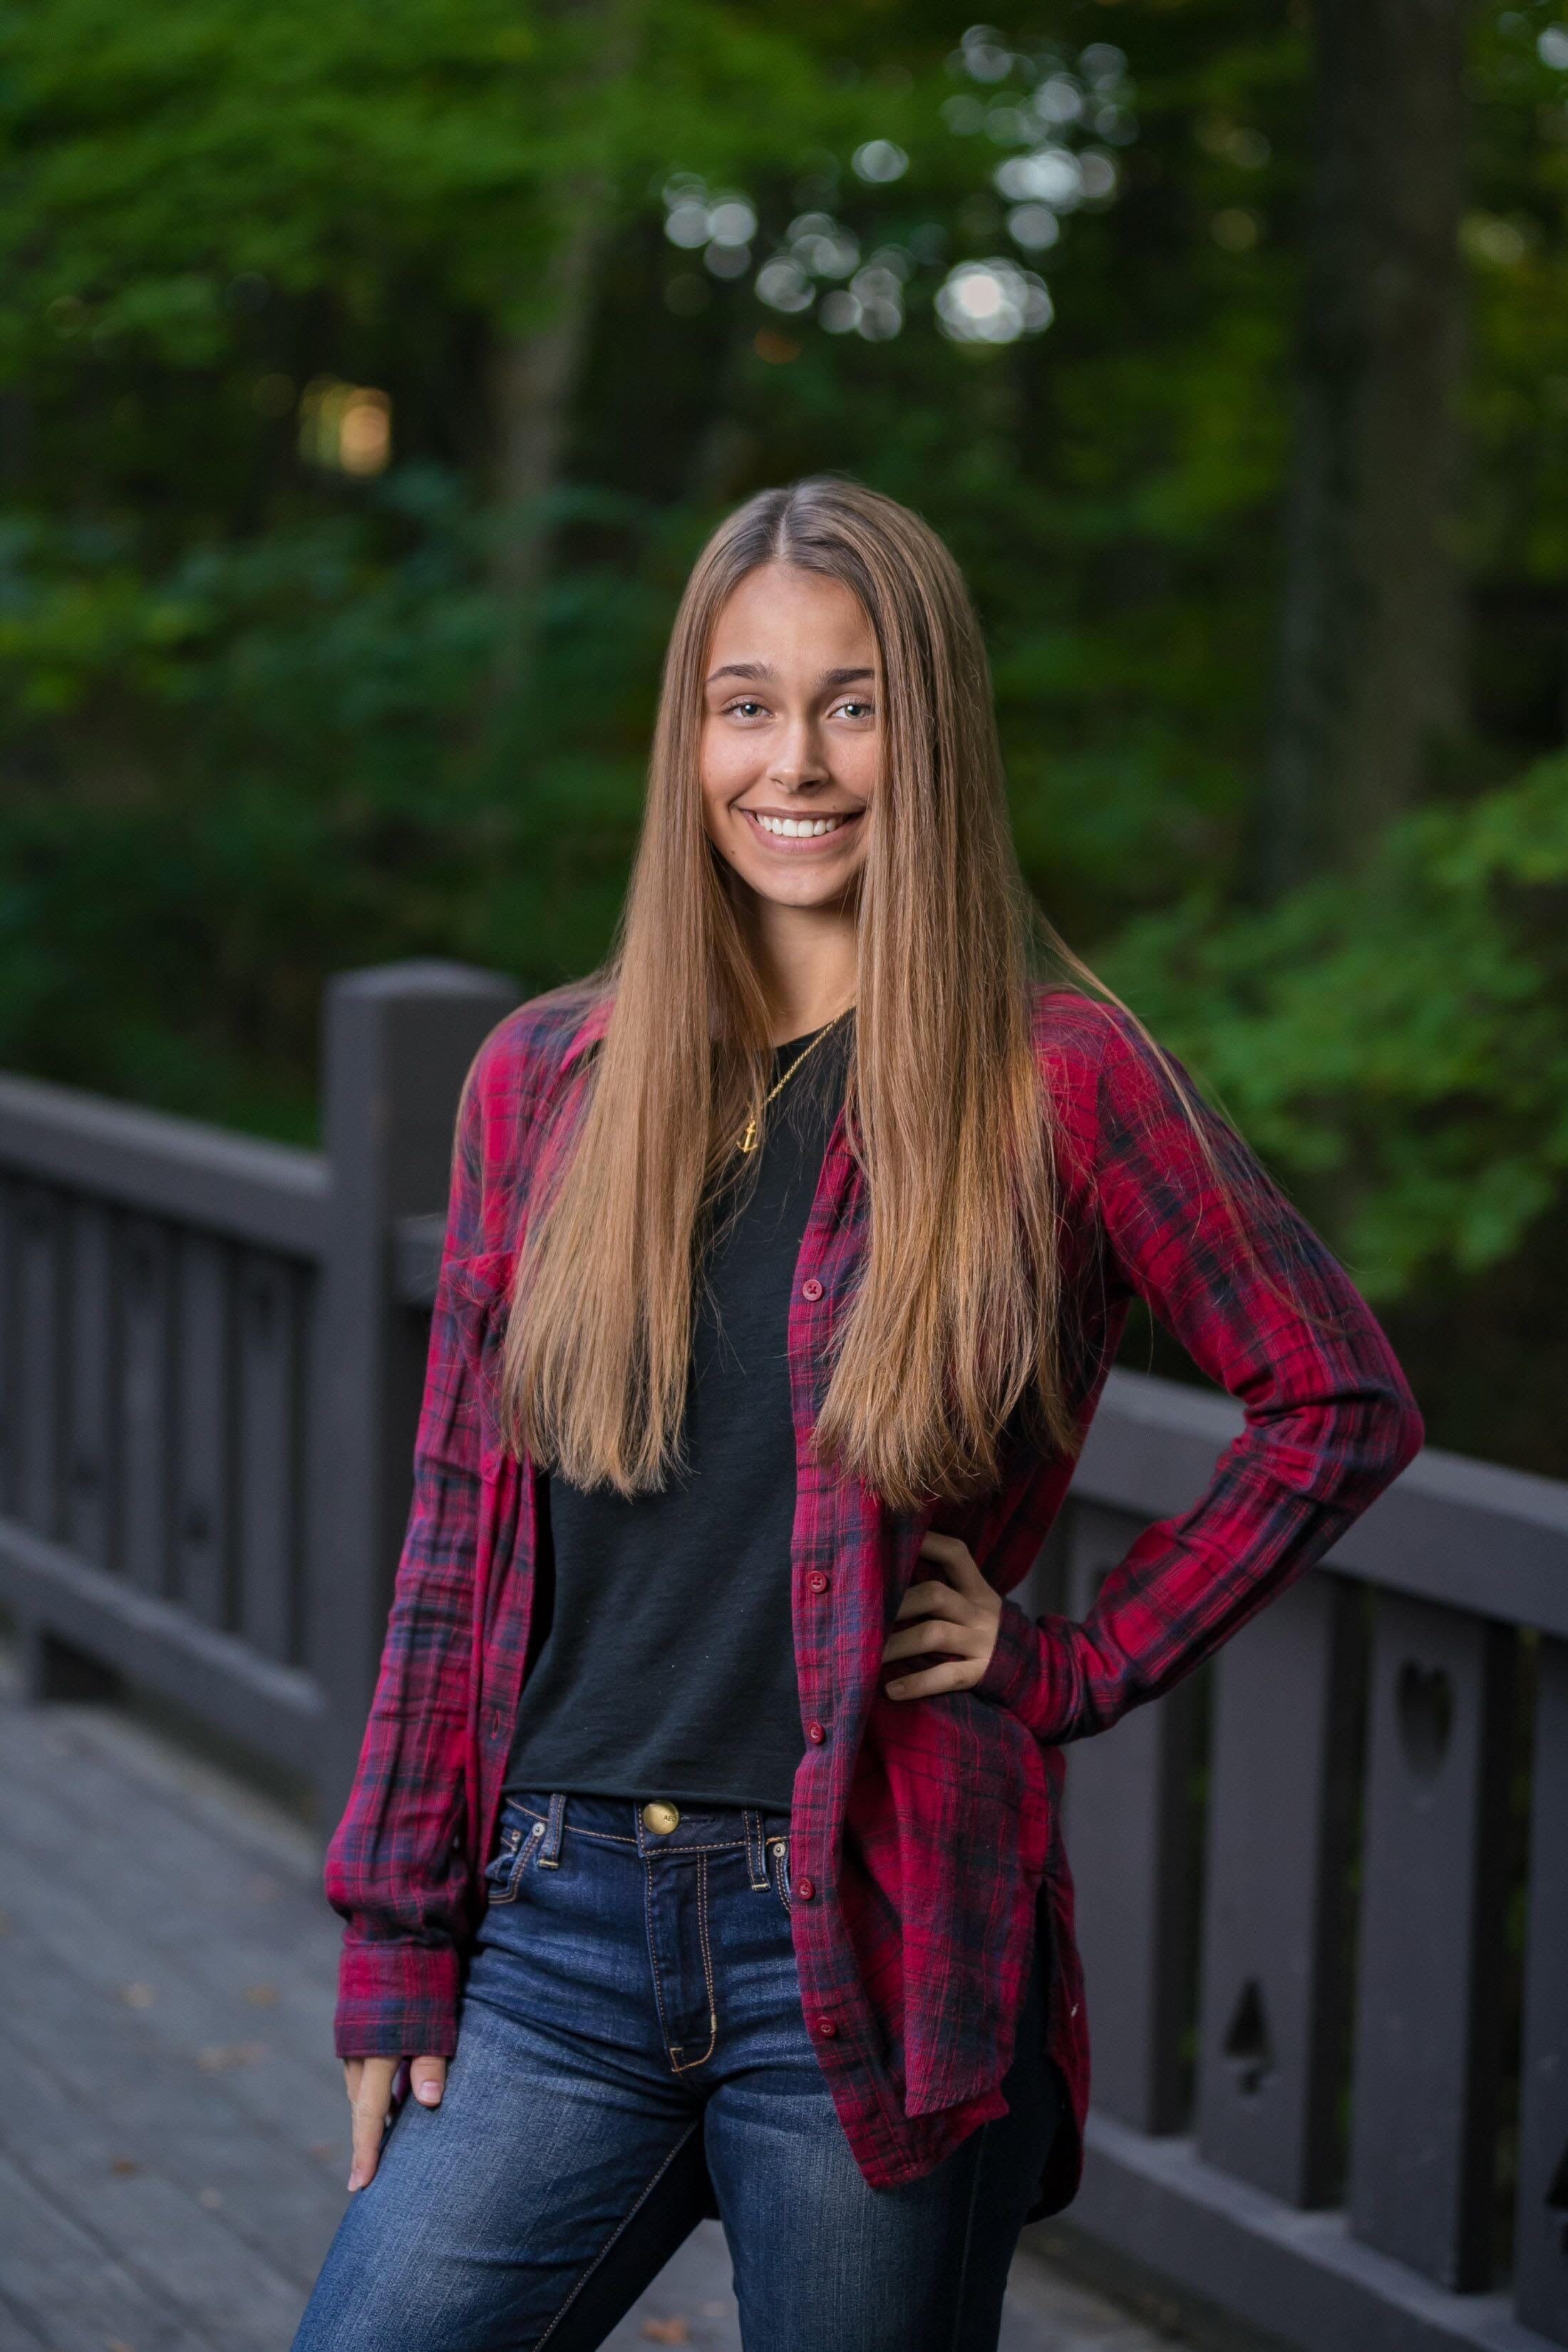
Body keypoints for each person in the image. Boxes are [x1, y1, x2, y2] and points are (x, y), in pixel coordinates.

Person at [292, 479, 1422, 2352]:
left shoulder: (1057, 1079)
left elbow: (1337, 1398)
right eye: (747, 703)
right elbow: (453, 1539)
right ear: (691, 738)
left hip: (872, 1933)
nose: (794, 758)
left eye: (855, 699)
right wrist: (399, 1935)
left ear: (935, 731)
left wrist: (1075, 1660)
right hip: (554, 1927)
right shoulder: (545, 1080)